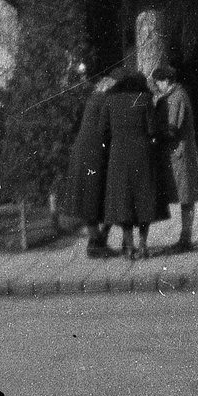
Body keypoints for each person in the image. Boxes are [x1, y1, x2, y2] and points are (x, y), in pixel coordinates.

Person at [103, 70, 164, 258]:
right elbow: (152, 128)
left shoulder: (110, 101)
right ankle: (143, 244)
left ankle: (129, 246)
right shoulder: (144, 99)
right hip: (142, 153)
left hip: (119, 155)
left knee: (123, 199)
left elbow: (103, 129)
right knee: (143, 198)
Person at [65, 71, 117, 257]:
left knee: (89, 200)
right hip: (94, 155)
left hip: (84, 153)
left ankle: (96, 240)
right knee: (99, 199)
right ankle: (96, 242)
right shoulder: (105, 102)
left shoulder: (93, 99)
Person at [153, 65, 198, 252]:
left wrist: (154, 136)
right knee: (185, 196)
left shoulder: (177, 97)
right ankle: (185, 237)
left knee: (186, 196)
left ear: (166, 81)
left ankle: (185, 238)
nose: (157, 86)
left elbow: (172, 127)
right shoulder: (174, 95)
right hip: (178, 153)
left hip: (180, 154)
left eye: (158, 82)